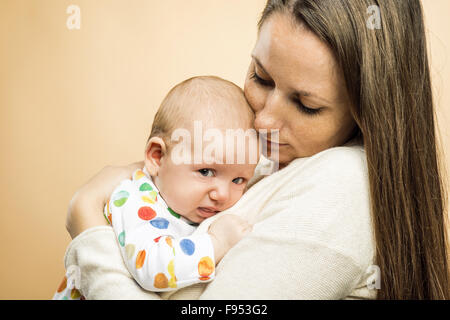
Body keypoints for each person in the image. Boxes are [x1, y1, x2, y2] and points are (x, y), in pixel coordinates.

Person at [63, 0, 449, 299]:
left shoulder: (342, 186)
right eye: (261, 78)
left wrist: (86, 221)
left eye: (306, 105)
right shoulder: (270, 162)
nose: (264, 122)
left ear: (366, 112)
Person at [54, 76, 259, 299]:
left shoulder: (184, 204)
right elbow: (151, 268)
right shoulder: (134, 199)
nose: (222, 194)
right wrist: (216, 243)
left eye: (238, 180)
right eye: (205, 172)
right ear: (157, 157)